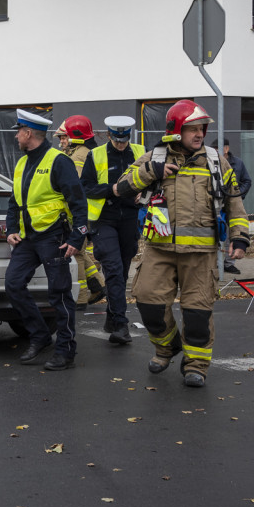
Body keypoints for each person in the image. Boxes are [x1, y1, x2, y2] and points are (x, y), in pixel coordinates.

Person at [113, 100, 250, 387]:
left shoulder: (215, 161)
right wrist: (152, 171)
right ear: (176, 130)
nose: (199, 133)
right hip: (159, 250)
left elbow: (234, 201)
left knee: (197, 313)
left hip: (200, 255)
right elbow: (120, 188)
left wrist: (239, 236)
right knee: (148, 301)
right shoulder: (155, 157)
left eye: (202, 128)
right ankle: (167, 347)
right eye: (192, 129)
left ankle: (196, 365)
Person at [5, 109, 89, 371]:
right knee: (14, 284)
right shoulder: (21, 163)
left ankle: (65, 352)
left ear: (29, 133)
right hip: (28, 239)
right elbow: (14, 202)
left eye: (19, 132)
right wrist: (11, 229)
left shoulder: (58, 161)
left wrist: (77, 237)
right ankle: (40, 336)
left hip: (54, 237)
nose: (16, 136)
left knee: (60, 295)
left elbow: (78, 201)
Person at [81, 116, 146, 344]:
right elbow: (86, 187)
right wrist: (113, 190)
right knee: (114, 268)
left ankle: (111, 316)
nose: (121, 144)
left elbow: (153, 179)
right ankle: (121, 324)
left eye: (124, 139)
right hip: (103, 219)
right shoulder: (96, 155)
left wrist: (144, 193)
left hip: (129, 218)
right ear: (108, 135)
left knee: (122, 269)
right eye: (117, 140)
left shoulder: (139, 151)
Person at [58, 115, 106, 311]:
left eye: (63, 137)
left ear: (75, 137)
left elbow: (74, 187)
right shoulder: (82, 152)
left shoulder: (78, 156)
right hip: (82, 213)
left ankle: (80, 299)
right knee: (81, 251)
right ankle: (99, 285)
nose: (61, 141)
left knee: (75, 253)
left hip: (76, 213)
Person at [212, 138, 252, 274]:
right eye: (214, 149)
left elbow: (247, 181)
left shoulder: (238, 163)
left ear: (226, 149)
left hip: (231, 205)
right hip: (216, 205)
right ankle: (215, 263)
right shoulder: (211, 163)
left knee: (233, 233)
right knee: (217, 232)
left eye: (218, 148)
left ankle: (229, 263)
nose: (215, 151)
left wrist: (237, 195)